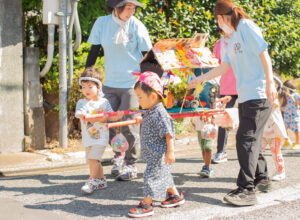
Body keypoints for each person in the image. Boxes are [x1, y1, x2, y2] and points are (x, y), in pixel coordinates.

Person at [189, 0, 277, 206]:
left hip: (259, 93)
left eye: (217, 21)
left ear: (220, 18)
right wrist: (199, 79)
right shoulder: (232, 37)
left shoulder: (246, 26)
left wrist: (270, 82)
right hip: (246, 95)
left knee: (245, 140)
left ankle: (246, 190)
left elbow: (264, 53)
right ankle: (262, 178)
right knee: (250, 138)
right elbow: (224, 67)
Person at [85, 0, 152, 180]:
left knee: (129, 125)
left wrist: (149, 81)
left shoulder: (137, 26)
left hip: (132, 84)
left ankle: (131, 164)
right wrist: (86, 77)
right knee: (107, 124)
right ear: (116, 7)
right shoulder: (102, 23)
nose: (132, 11)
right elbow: (94, 50)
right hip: (110, 83)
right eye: (128, 8)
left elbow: (148, 54)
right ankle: (118, 157)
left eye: (133, 8)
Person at [128, 72, 185, 218]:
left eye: (140, 97)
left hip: (159, 155)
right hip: (154, 153)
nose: (139, 101)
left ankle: (147, 205)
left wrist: (170, 152)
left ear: (153, 96)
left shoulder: (160, 112)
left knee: (150, 177)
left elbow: (168, 133)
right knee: (164, 175)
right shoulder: (151, 111)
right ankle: (175, 196)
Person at [75, 67, 123, 194]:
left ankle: (92, 181)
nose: (86, 90)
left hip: (101, 137)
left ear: (99, 87)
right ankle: (101, 180)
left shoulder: (104, 102)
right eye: (83, 87)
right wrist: (89, 117)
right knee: (94, 160)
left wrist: (117, 115)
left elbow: (111, 115)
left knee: (93, 159)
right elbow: (80, 114)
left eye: (90, 87)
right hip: (88, 137)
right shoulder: (81, 103)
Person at [212, 28, 238, 164]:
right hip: (227, 86)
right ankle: (221, 152)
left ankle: (258, 148)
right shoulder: (218, 44)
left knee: (248, 118)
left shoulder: (240, 40)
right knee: (223, 119)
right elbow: (214, 65)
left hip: (244, 84)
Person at [261, 76, 287, 181]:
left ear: (276, 86)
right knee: (257, 152)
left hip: (274, 132)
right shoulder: (264, 95)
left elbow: (272, 105)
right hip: (263, 131)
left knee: (276, 152)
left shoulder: (273, 96)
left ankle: (280, 171)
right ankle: (258, 172)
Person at [280, 79, 300, 149]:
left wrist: (292, 97)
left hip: (294, 116)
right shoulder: (284, 95)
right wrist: (283, 96)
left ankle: (297, 143)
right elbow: (281, 105)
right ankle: (287, 141)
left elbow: (298, 104)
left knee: (296, 130)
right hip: (286, 115)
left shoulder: (296, 95)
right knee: (284, 129)